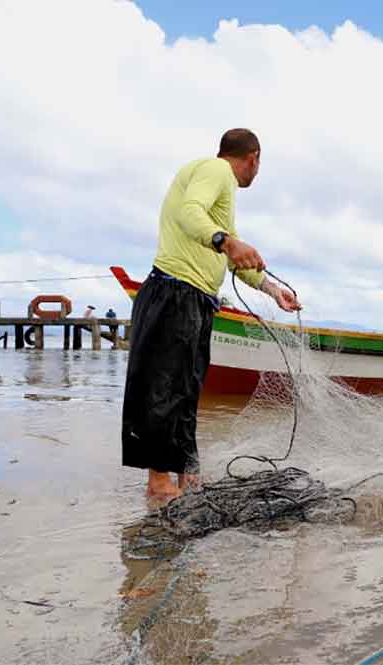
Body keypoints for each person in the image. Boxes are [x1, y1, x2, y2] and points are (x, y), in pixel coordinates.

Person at [122, 128, 301, 500]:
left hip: (196, 299)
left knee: (187, 393)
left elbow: (234, 260)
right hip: (174, 290)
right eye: (258, 165)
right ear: (253, 158)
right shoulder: (215, 170)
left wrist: (272, 289)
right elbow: (190, 212)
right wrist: (225, 241)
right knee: (164, 388)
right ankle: (159, 484)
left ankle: (188, 478)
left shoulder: (224, 198)